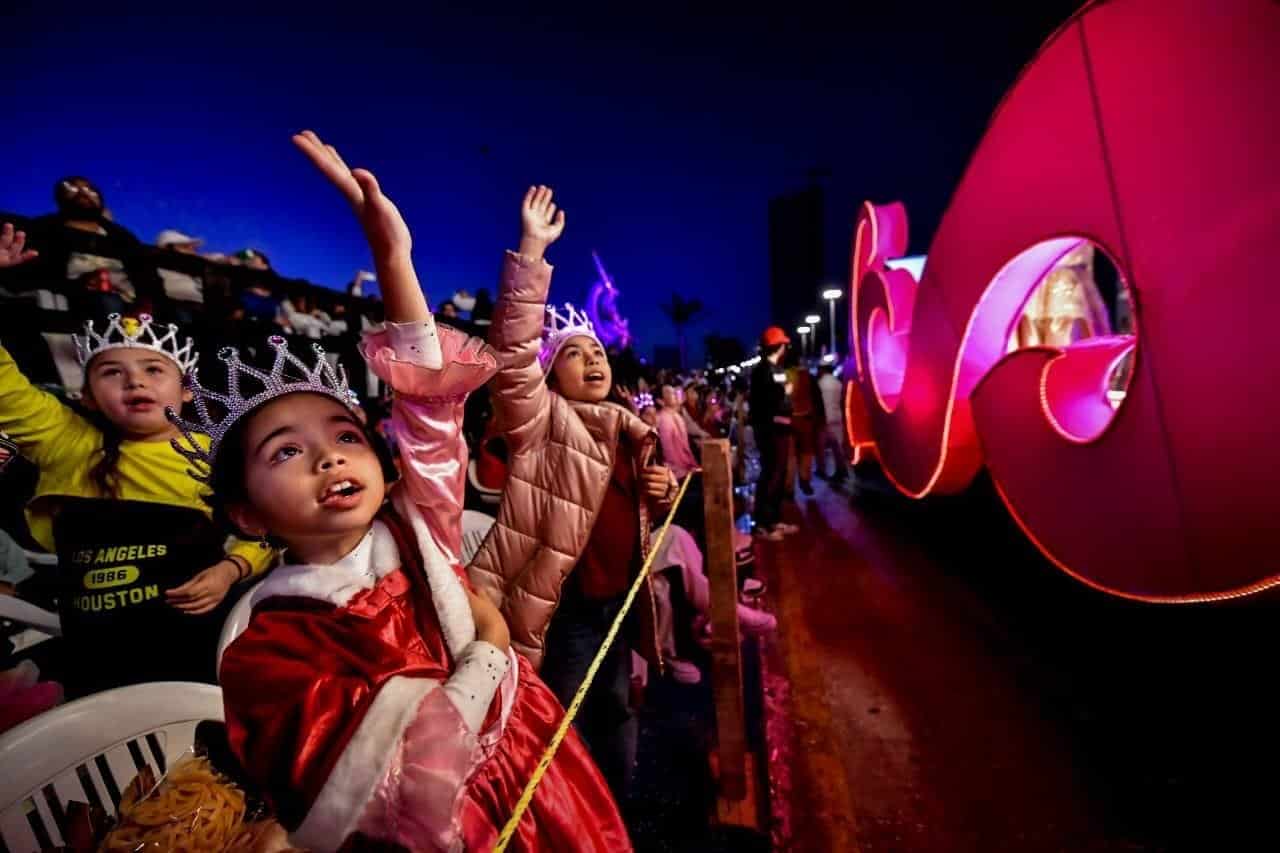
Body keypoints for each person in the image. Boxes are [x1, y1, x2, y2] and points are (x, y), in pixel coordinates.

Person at [203, 132, 628, 853]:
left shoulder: (413, 526)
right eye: (287, 450)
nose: (328, 458)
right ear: (245, 510)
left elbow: (427, 417)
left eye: (345, 435)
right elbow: (368, 786)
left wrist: (393, 257)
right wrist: (486, 660)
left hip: (531, 763)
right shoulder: (266, 646)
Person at [469, 186, 679, 804]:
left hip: (618, 598)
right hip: (558, 612)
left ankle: (610, 810)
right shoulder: (540, 420)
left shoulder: (627, 428)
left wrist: (659, 494)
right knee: (559, 721)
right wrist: (533, 249)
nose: (590, 360)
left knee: (614, 706)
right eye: (571, 354)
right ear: (547, 373)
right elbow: (510, 354)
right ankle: (562, 819)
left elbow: (633, 511)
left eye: (596, 352)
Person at [0, 290, 276, 695]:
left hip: (195, 649)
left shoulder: (213, 455)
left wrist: (230, 570)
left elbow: (268, 532)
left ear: (185, 390)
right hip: (95, 656)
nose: (135, 381)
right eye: (112, 372)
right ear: (87, 396)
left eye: (153, 369)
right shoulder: (66, 442)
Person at [749, 327, 799, 540]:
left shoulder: (775, 368)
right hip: (770, 430)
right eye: (784, 344)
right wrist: (784, 392)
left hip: (782, 428)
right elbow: (766, 400)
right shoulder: (762, 370)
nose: (786, 348)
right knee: (771, 473)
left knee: (779, 473)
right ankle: (763, 524)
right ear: (778, 346)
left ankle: (775, 519)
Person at [789, 363, 823, 496]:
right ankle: (805, 480)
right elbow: (817, 399)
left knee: (790, 455)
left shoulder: (783, 376)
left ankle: (789, 487)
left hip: (789, 421)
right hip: (806, 420)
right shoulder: (809, 377)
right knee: (806, 452)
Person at [817, 363, 849, 483]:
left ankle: (822, 470)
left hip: (825, 418)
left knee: (820, 446)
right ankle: (841, 470)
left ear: (823, 370)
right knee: (838, 447)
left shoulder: (820, 383)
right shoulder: (838, 383)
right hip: (837, 416)